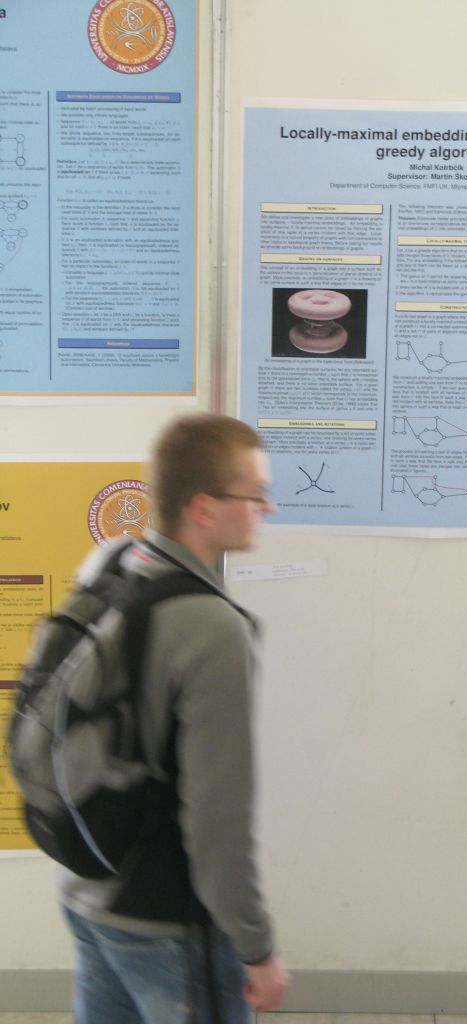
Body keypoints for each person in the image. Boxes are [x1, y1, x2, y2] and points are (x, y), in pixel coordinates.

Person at [59, 413, 291, 1023]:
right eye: (255, 494)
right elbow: (218, 818)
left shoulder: (111, 564)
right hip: (167, 925)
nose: (267, 508)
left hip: (88, 890)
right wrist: (257, 947)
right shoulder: (214, 628)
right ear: (204, 508)